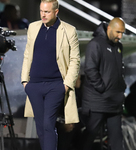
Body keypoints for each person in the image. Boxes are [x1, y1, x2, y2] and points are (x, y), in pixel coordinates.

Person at [21, 0, 80, 150]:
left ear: (56, 12)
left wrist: (66, 85)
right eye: (41, 11)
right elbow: (28, 54)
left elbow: (75, 59)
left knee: (48, 123)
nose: (43, 14)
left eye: (47, 11)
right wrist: (25, 82)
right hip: (34, 85)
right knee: (41, 126)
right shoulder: (33, 27)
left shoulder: (69, 30)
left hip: (56, 85)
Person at [81, 17, 127, 150]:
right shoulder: (95, 44)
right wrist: (102, 88)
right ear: (109, 29)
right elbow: (90, 69)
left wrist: (120, 87)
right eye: (118, 32)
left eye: (122, 33)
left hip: (114, 102)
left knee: (117, 140)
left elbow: (118, 71)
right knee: (89, 138)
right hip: (97, 102)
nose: (120, 36)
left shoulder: (119, 46)